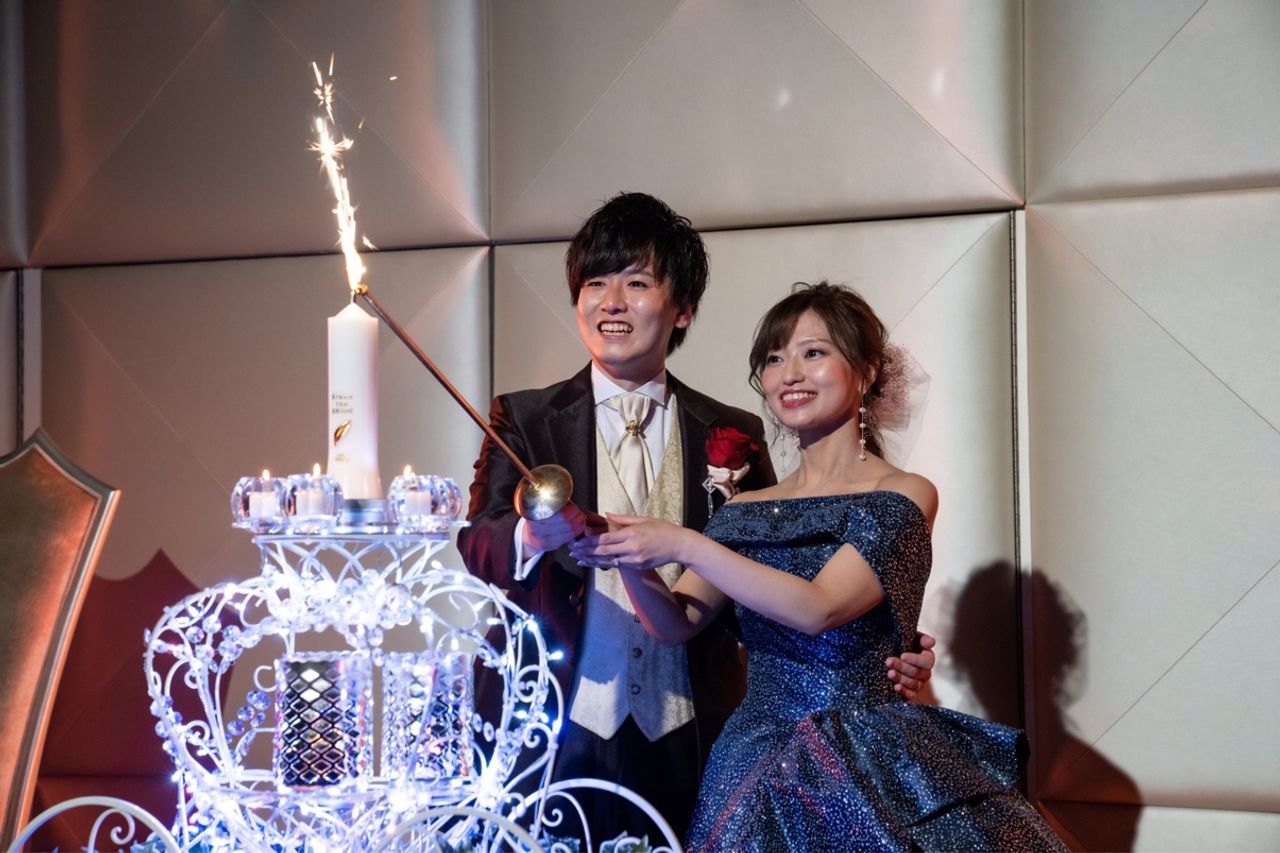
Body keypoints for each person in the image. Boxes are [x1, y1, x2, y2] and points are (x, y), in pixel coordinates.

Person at [458, 198, 935, 838]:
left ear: (681, 308)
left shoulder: (732, 433)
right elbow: (478, 543)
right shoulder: (523, 417)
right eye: (595, 283)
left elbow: (783, 576)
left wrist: (882, 638)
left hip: (698, 736)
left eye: (636, 283)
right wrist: (532, 534)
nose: (611, 302)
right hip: (550, 725)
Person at [571, 282, 1065, 851]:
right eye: (774, 359)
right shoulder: (745, 510)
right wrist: (626, 556)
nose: (790, 374)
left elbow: (820, 608)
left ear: (867, 372)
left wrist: (684, 544)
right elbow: (676, 622)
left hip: (863, 754)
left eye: (813, 353)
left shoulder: (902, 494)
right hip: (752, 757)